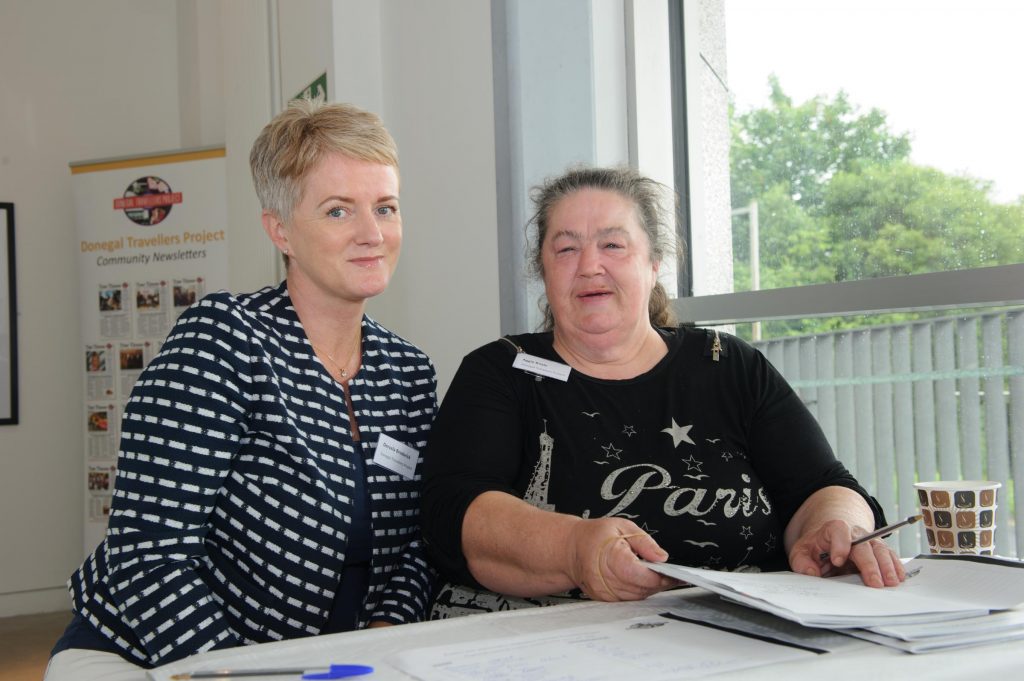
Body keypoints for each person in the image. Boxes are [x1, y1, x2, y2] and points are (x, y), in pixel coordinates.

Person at [46, 99, 437, 678]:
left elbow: (418, 548)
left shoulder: (407, 371)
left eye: (386, 207)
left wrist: (379, 646)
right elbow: (148, 554)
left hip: (320, 663)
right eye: (337, 211)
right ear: (280, 230)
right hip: (151, 655)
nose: (372, 233)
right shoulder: (223, 341)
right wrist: (238, 674)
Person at [421, 165, 903, 619]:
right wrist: (574, 547)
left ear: (653, 263)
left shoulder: (729, 365)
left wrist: (836, 527)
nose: (589, 265)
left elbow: (822, 485)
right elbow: (455, 513)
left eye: (613, 245)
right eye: (565, 249)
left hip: (739, 643)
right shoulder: (500, 371)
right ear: (543, 272)